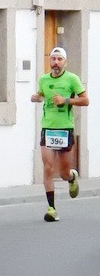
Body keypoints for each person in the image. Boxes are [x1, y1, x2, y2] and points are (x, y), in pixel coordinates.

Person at [31, 46, 89, 222]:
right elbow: (43, 94)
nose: (56, 62)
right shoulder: (43, 79)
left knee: (63, 173)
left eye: (59, 59)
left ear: (65, 62)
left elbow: (85, 100)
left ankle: (71, 177)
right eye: (53, 59)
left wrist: (66, 100)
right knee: (48, 168)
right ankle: (51, 209)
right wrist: (37, 97)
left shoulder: (72, 79)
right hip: (48, 128)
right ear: (50, 61)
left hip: (65, 129)